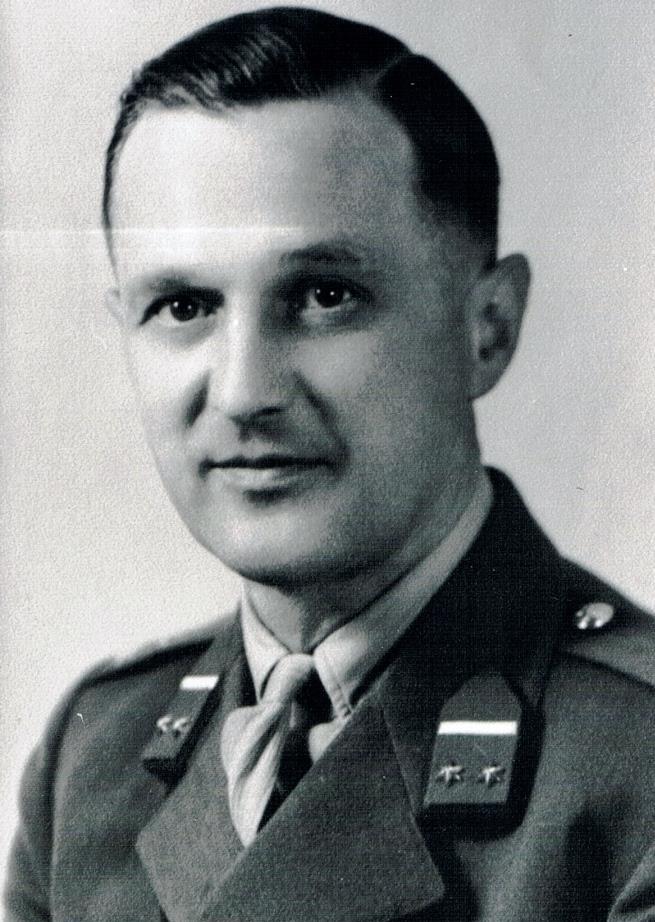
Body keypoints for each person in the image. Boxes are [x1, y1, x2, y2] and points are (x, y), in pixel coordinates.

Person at [5, 7, 655, 921]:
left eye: (323, 295)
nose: (243, 392)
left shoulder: (632, 775)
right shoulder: (92, 765)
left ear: (487, 328)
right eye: (183, 306)